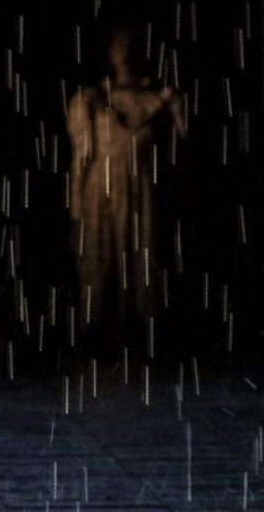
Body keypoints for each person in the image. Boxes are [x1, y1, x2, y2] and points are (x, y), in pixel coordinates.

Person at [66, 20, 187, 356]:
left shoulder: (161, 99)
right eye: (119, 45)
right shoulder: (92, 100)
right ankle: (97, 339)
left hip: (143, 189)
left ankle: (144, 336)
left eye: (131, 45)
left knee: (143, 257)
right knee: (101, 258)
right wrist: (76, 209)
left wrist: (174, 108)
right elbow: (81, 157)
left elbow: (187, 146)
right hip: (100, 192)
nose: (125, 53)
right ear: (109, 53)